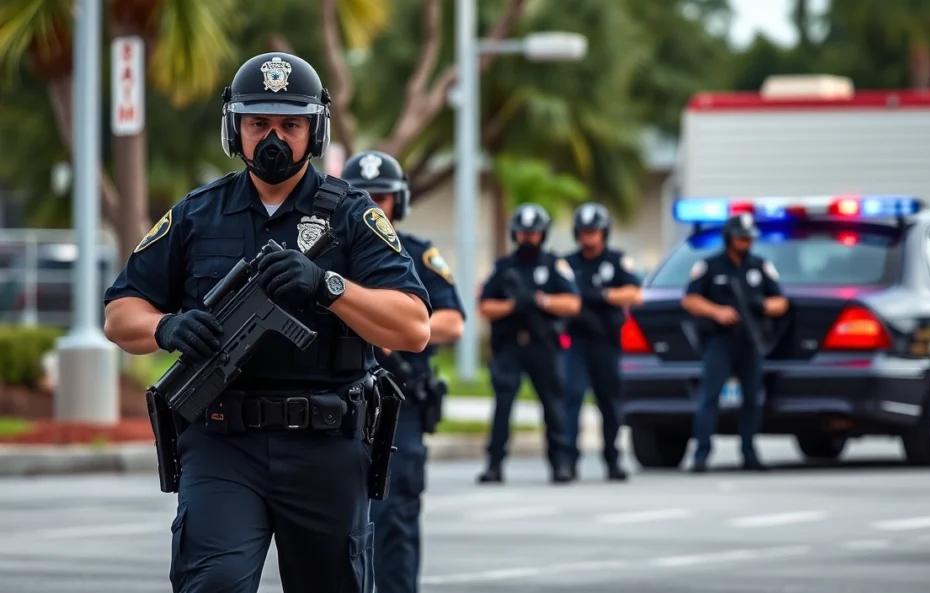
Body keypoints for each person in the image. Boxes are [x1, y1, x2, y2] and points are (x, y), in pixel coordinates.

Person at [102, 52, 432, 593]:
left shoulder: (353, 216)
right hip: (221, 442)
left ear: (315, 130)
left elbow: (413, 326)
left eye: (289, 124)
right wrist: (166, 327)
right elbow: (120, 313)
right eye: (258, 123)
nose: (273, 138)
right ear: (235, 128)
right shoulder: (195, 214)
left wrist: (329, 286)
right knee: (215, 584)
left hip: (325, 443)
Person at [341, 150, 465, 593]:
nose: (374, 204)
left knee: (394, 519)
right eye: (364, 195)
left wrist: (402, 329)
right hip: (340, 402)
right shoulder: (330, 252)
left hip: (399, 405)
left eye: (383, 196)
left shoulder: (416, 254)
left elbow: (453, 321)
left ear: (400, 202)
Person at [476, 203, 581, 484]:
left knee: (554, 407)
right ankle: (494, 465)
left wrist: (540, 301)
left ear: (543, 234)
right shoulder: (504, 268)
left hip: (543, 346)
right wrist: (512, 306)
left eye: (533, 233)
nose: (527, 238)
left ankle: (561, 464)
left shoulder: (554, 265)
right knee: (503, 406)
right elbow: (484, 306)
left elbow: (572, 303)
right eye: (523, 233)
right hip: (510, 346)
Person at [681, 212, 788, 473]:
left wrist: (762, 305)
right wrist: (716, 311)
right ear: (729, 238)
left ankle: (749, 453)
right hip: (720, 340)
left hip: (750, 341)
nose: (746, 242)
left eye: (749, 238)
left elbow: (781, 303)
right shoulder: (710, 266)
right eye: (741, 238)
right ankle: (702, 454)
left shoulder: (760, 266)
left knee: (752, 399)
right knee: (710, 397)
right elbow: (690, 299)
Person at [562, 203, 642, 481]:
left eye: (594, 232)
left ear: (604, 233)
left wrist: (602, 295)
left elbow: (634, 293)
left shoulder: (617, 260)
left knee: (609, 402)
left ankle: (612, 458)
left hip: (607, 342)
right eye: (584, 232)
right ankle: (568, 460)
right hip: (576, 341)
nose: (589, 238)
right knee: (571, 398)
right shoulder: (568, 264)